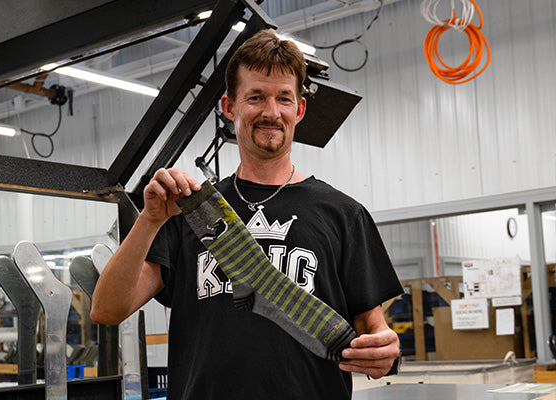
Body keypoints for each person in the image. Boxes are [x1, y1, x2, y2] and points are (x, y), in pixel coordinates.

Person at [91, 29, 403, 399]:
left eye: (284, 99)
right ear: (229, 107)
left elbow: (372, 328)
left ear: (299, 109)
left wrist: (385, 351)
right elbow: (107, 309)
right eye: (256, 97)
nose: (271, 112)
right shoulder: (190, 213)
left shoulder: (344, 214)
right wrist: (150, 219)